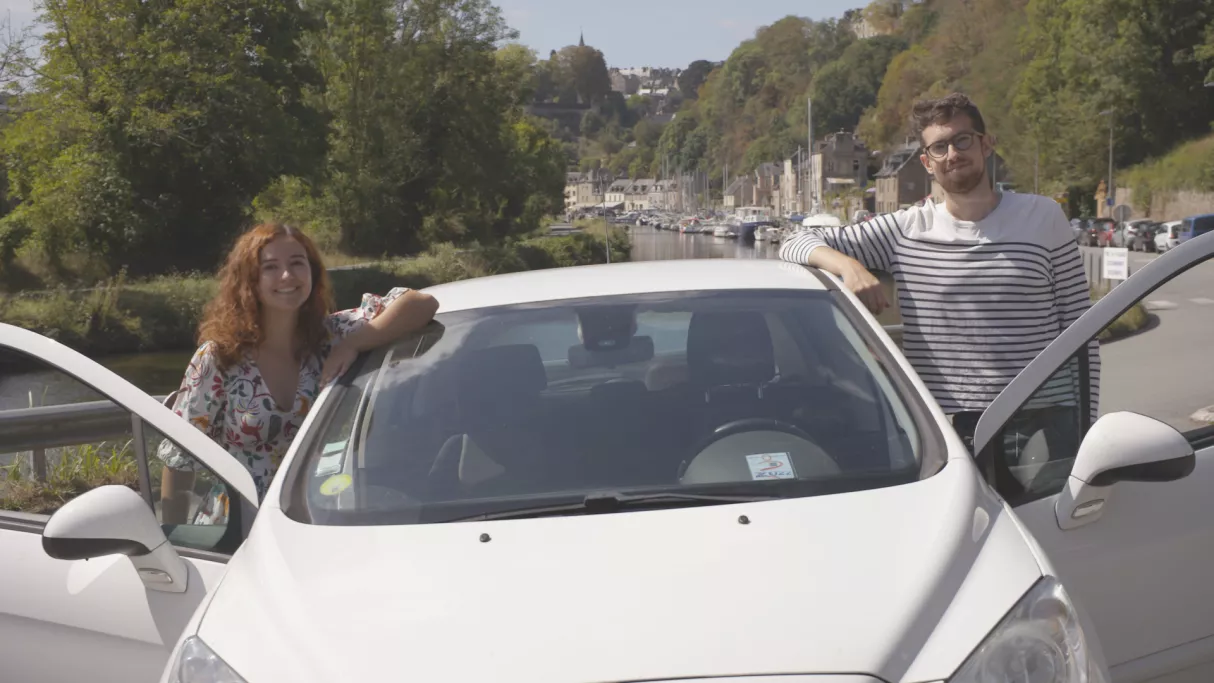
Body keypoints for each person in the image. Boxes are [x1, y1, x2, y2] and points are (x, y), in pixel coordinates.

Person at [779, 92, 1100, 453]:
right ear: (927, 163)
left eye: (963, 140)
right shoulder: (905, 230)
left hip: (1047, 415)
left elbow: (1080, 327)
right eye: (939, 147)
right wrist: (849, 266)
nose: (953, 154)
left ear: (986, 144)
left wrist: (1084, 425)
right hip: (954, 423)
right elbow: (795, 241)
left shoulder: (1043, 216)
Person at [157, 222, 439, 524]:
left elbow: (421, 304)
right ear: (249, 279)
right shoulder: (219, 358)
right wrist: (172, 543)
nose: (287, 276)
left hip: (318, 521)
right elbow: (179, 460)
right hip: (239, 526)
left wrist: (354, 344)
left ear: (313, 272)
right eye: (271, 267)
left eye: (297, 263)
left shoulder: (333, 336)